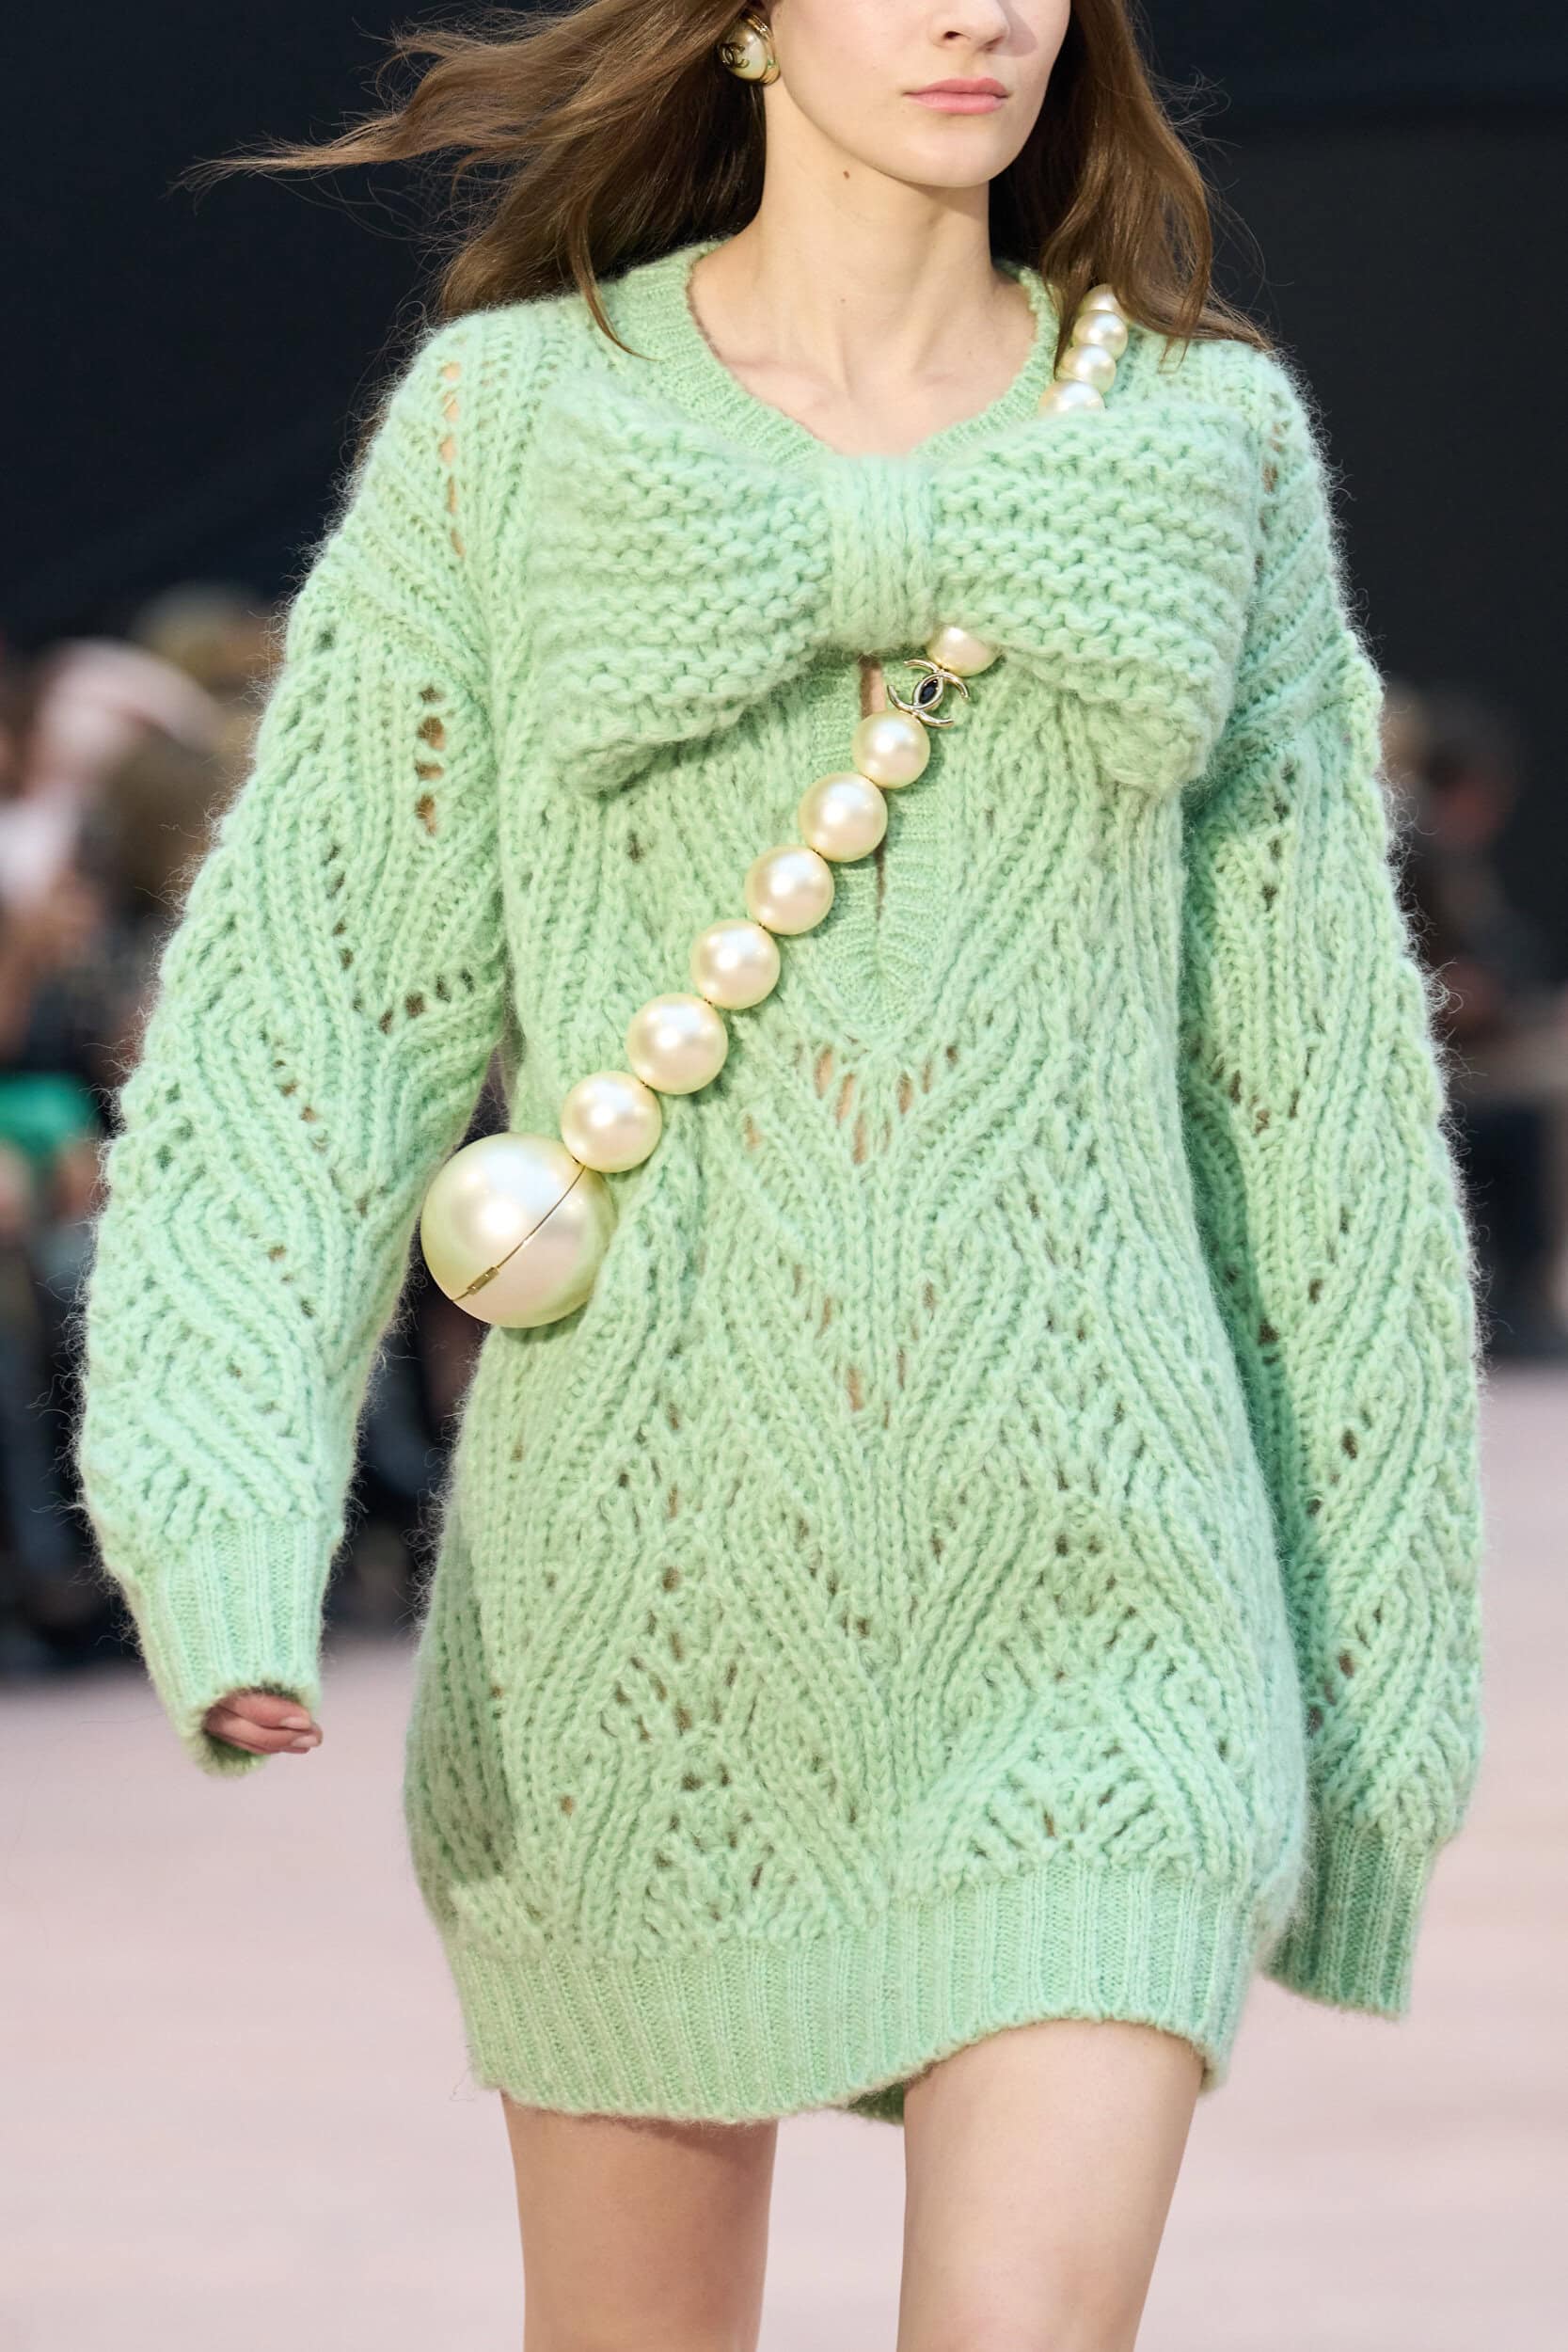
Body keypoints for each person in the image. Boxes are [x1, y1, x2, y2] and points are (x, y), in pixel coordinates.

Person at [68, 4, 1488, 2346]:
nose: (977, 12)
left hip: (1106, 1600)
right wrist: (217, 1519)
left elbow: (1318, 1107)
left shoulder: (1197, 441)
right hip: (642, 1598)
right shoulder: (511, 425)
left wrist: (1375, 1718)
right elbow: (311, 1015)